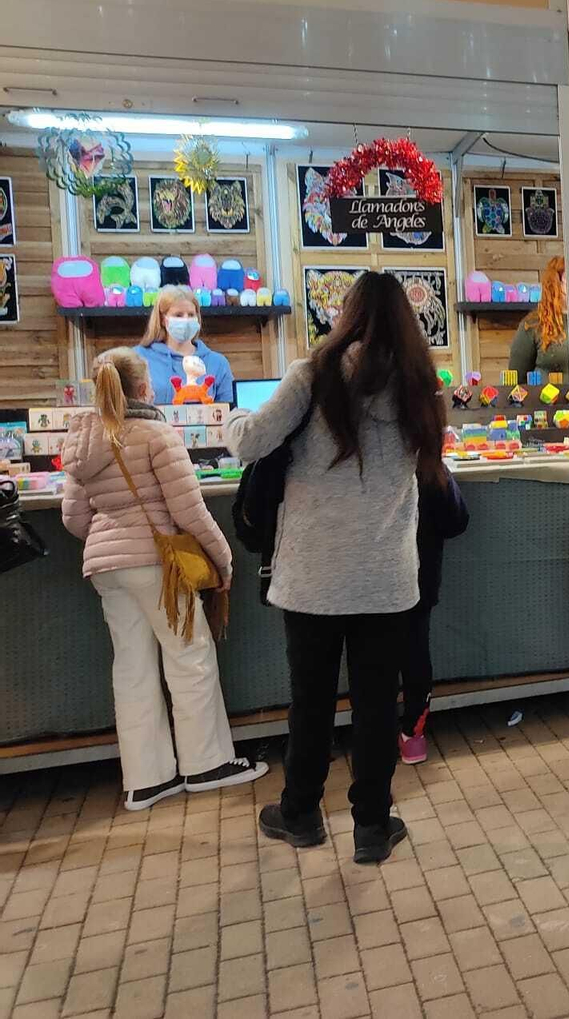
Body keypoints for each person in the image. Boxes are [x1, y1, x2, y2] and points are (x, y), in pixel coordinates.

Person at [225, 271, 445, 864]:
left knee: (312, 700)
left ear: (345, 314)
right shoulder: (422, 386)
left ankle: (299, 813)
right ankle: (372, 826)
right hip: (387, 577)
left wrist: (226, 417)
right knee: (377, 704)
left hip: (313, 576)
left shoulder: (312, 374)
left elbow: (248, 442)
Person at [61, 348, 265, 811]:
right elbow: (188, 511)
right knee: (189, 655)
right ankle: (205, 764)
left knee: (130, 668)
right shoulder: (157, 434)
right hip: (159, 564)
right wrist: (223, 559)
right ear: (145, 388)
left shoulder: (82, 440)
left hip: (105, 568)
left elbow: (74, 518)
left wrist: (111, 534)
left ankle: (145, 780)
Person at [399, 469, 469, 765]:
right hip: (417, 579)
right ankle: (412, 735)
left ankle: (371, 741)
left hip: (363, 584)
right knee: (415, 655)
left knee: (370, 662)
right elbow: (456, 521)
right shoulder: (424, 462)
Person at [137, 285, 235, 405]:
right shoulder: (138, 358)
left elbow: (229, 411)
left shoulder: (217, 363)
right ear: (163, 319)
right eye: (178, 315)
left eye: (191, 315)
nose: (186, 320)